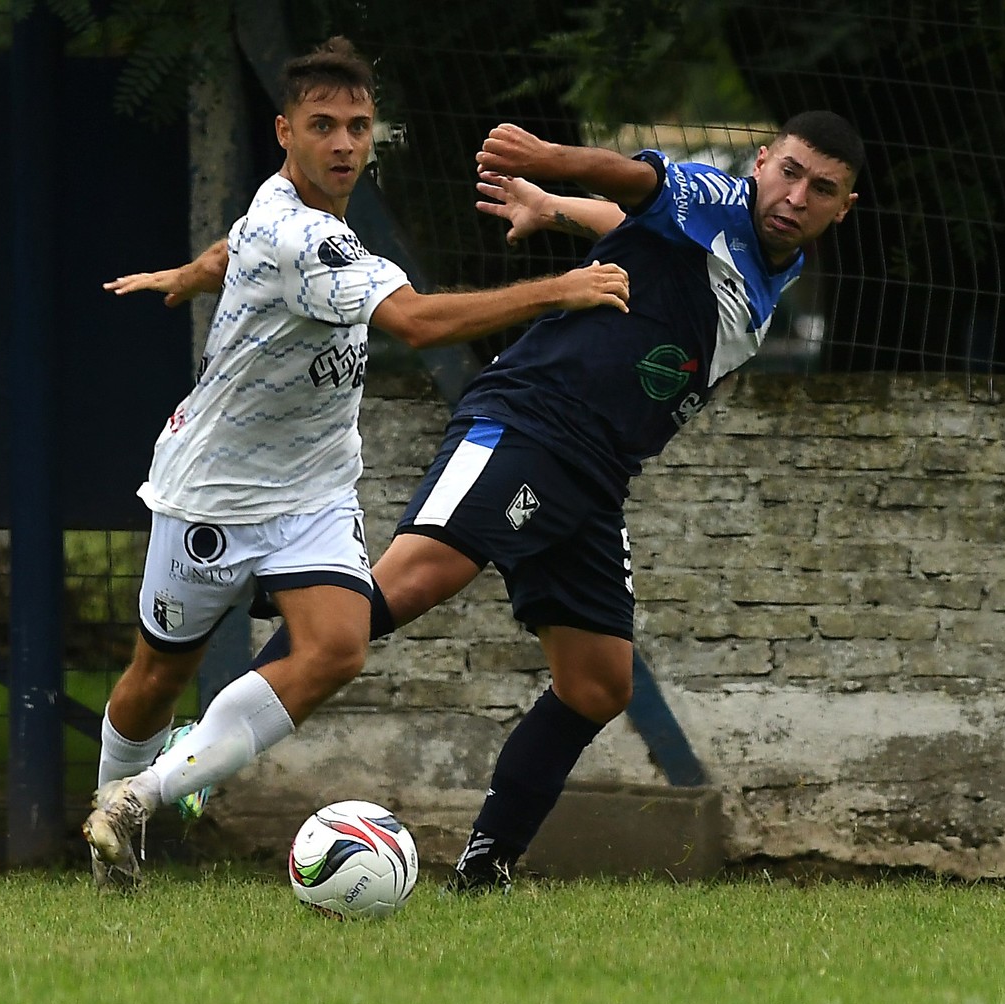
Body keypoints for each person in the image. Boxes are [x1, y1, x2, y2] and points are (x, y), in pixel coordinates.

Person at [243, 111, 864, 891]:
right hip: (533, 416)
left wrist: (552, 208)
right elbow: (638, 181)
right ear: (762, 162)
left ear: (843, 207)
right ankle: (213, 739)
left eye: (822, 189)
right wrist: (551, 160)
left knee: (597, 682)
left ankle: (484, 865)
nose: (796, 196)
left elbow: (636, 219)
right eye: (789, 172)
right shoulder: (717, 196)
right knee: (412, 580)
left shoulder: (772, 258)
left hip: (598, 471)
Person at [85, 37, 631, 891]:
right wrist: (559, 288)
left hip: (312, 490)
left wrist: (193, 274)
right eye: (322, 126)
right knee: (158, 675)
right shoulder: (300, 235)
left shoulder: (281, 217)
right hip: (211, 491)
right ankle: (107, 826)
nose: (343, 143)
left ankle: (138, 802)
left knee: (338, 648)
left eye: (359, 126)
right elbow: (413, 322)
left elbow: (231, 249)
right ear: (283, 132)